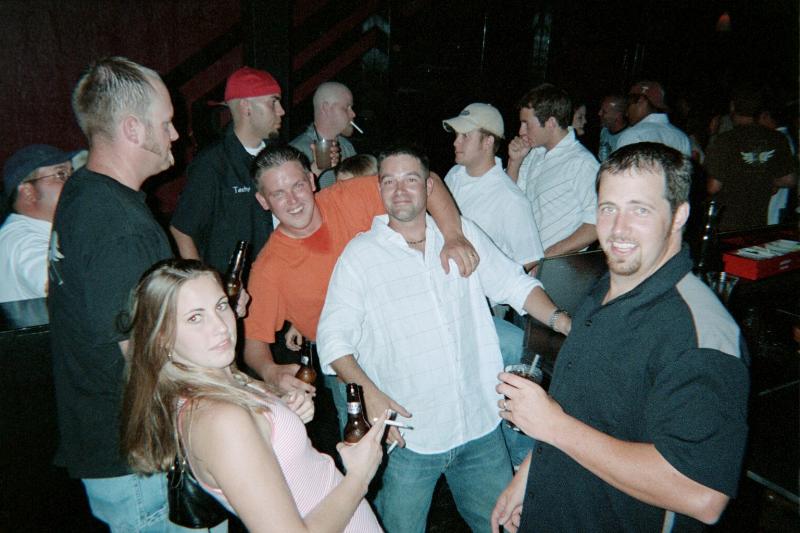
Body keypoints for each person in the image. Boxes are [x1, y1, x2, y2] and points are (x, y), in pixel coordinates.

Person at [492, 142, 749, 532]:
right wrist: (528, 478)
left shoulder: (702, 334)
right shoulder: (604, 289)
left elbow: (702, 494)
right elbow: (577, 405)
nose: (618, 228)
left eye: (639, 210)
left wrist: (552, 426)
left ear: (679, 215)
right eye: (608, 208)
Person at [317, 147, 570, 532]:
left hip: (479, 425)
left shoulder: (461, 236)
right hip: (410, 436)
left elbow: (514, 285)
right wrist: (369, 393)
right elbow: (332, 339)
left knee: (500, 526)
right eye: (389, 181)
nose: (400, 190)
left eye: (411, 179)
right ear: (379, 190)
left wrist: (561, 320)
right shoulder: (360, 256)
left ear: (429, 186)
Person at [48, 57, 238, 532]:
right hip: (141, 461)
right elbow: (142, 353)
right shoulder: (117, 225)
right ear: (132, 129)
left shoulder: (85, 192)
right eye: (166, 122)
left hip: (116, 445)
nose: (175, 135)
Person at [121, 259, 384, 532]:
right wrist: (359, 476)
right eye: (195, 318)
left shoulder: (226, 381)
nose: (220, 326)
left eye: (221, 306)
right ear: (162, 337)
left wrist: (282, 416)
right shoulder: (220, 419)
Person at [243, 145, 478, 400]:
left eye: (298, 186)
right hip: (353, 372)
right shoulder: (269, 267)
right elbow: (254, 341)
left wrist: (453, 235)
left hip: (415, 336)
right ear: (263, 201)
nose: (293, 200)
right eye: (278, 194)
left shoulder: (349, 197)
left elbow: (427, 181)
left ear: (311, 181)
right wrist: (270, 371)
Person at [441, 102, 543, 367]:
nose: (456, 142)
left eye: (465, 136)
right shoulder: (454, 175)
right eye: (456, 135)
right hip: (445, 294)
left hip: (482, 304)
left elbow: (531, 260)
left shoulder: (510, 198)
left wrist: (494, 288)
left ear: (487, 142)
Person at [170, 67, 283, 274]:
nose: (281, 111)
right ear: (246, 107)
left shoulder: (279, 156)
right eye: (273, 102)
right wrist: (205, 283)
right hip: (234, 284)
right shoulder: (213, 164)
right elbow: (181, 230)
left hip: (278, 277)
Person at [507, 83, 599, 256]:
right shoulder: (534, 154)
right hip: (526, 258)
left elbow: (596, 223)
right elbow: (510, 201)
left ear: (550, 123)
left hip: (556, 266)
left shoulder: (582, 163)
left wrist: (547, 257)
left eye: (526, 124)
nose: (521, 131)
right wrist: (514, 162)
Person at [705, 85, 797, 231]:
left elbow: (713, 186)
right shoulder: (777, 138)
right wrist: (761, 177)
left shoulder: (725, 140)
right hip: (759, 222)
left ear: (732, 106)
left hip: (727, 225)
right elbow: (789, 180)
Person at [0, 145, 77, 302]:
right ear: (29, 193)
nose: (75, 183)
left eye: (73, 173)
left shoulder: (42, 233)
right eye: (61, 174)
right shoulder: (21, 239)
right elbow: (61, 285)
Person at [291, 81, 357, 189]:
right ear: (326, 108)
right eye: (346, 108)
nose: (353, 114)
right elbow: (293, 193)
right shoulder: (296, 151)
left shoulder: (347, 147)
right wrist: (316, 168)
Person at [616, 81, 691, 157]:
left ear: (641, 101)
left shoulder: (632, 135)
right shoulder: (681, 136)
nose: (626, 113)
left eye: (629, 105)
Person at [597, 94, 627, 161]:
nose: (599, 113)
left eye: (604, 112)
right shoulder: (604, 131)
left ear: (618, 116)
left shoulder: (628, 137)